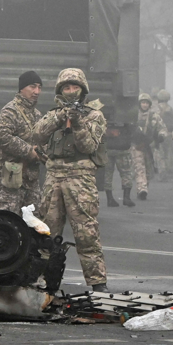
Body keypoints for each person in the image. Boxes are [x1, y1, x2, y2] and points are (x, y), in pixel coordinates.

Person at [33, 68, 109, 292]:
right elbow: (37, 134)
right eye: (67, 87)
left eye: (75, 87)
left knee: (86, 232)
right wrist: (59, 117)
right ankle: (46, 281)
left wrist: (77, 123)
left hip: (80, 177)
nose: (71, 91)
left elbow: (88, 146)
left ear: (83, 89)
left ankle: (97, 283)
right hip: (54, 177)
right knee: (47, 233)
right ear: (60, 90)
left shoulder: (94, 116)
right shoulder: (53, 114)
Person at [0, 70, 46, 215]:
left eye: (39, 87)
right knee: (7, 220)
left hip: (31, 178)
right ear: (22, 88)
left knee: (33, 223)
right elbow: (0, 136)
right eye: (32, 86)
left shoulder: (37, 115)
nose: (37, 91)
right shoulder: (10, 111)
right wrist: (29, 151)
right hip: (12, 175)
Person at [131, 93, 168, 200]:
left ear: (149, 104)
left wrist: (161, 136)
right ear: (139, 104)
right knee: (139, 168)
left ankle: (144, 188)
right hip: (137, 146)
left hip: (149, 147)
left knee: (148, 170)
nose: (145, 105)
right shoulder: (134, 116)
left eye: (147, 103)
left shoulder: (154, 116)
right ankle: (141, 189)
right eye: (143, 102)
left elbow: (162, 128)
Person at [155, 90, 173, 181]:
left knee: (159, 154)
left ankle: (162, 174)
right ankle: (169, 171)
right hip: (169, 135)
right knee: (168, 154)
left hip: (160, 135)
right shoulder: (170, 109)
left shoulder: (156, 109)